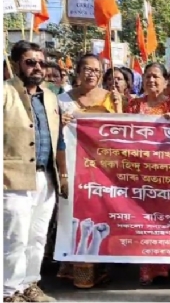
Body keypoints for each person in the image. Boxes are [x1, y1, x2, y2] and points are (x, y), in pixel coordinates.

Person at [4, 40, 67, 302]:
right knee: (15, 238)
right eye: (31, 62)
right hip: (12, 179)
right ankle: (8, 291)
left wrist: (62, 175)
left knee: (37, 236)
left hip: (46, 178)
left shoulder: (50, 97)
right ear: (16, 63)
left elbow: (59, 138)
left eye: (40, 62)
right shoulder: (5, 93)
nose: (37, 67)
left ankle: (30, 284)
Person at [56, 54, 123, 289]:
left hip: (102, 171)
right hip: (73, 168)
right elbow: (54, 134)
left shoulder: (110, 99)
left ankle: (101, 269)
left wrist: (119, 107)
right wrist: (59, 124)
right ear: (78, 71)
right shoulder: (62, 100)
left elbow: (120, 133)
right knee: (75, 217)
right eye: (86, 69)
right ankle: (74, 271)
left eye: (96, 70)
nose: (91, 74)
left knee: (100, 216)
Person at [125, 64, 170, 285]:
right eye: (148, 76)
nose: (152, 80)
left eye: (156, 76)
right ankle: (147, 268)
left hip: (167, 172)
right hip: (141, 173)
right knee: (144, 219)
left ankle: (167, 263)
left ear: (164, 80)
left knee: (166, 219)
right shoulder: (133, 105)